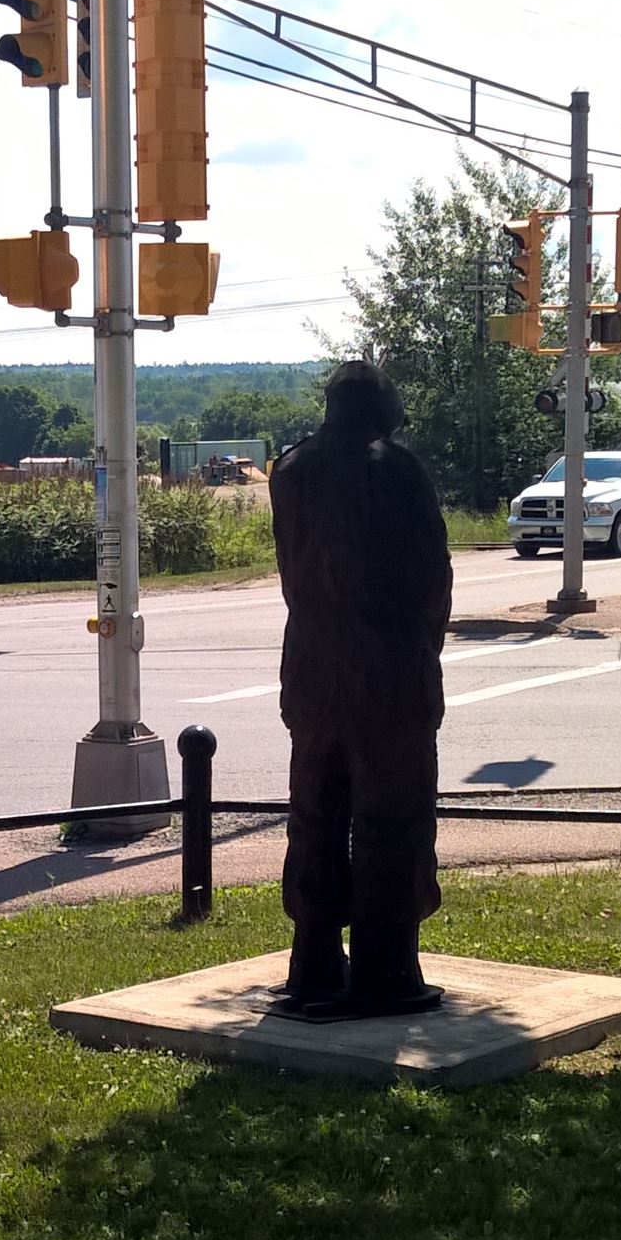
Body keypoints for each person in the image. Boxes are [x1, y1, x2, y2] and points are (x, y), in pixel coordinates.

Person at [268, 357, 452, 1017]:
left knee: (314, 813)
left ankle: (313, 959)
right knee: (392, 817)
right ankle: (386, 966)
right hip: (388, 669)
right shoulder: (396, 468)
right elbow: (430, 576)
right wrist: (418, 652)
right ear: (379, 405)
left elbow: (293, 569)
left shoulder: (291, 468)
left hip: (313, 665)